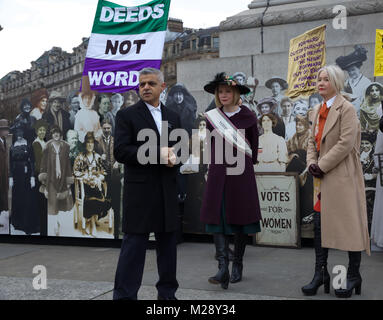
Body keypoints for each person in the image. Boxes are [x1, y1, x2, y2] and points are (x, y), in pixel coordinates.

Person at [113, 68, 181, 300]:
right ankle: (124, 297)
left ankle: (167, 297)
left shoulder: (173, 116)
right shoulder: (126, 116)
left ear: (162, 87)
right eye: (142, 84)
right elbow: (121, 151)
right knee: (133, 250)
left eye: (151, 83)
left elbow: (180, 150)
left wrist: (175, 157)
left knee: (168, 250)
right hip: (139, 193)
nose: (145, 87)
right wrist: (158, 154)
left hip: (167, 191)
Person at [303, 65, 370, 298]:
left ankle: (353, 275)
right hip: (322, 178)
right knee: (320, 226)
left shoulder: (347, 108)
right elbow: (311, 142)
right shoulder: (315, 110)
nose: (320, 83)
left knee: (350, 225)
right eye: (319, 79)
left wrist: (320, 165)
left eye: (326, 80)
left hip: (342, 175)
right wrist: (312, 162)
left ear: (337, 83)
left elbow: (346, 143)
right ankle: (320, 274)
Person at [200, 72, 262, 290]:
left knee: (239, 219)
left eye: (228, 91)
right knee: (217, 218)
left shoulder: (248, 117)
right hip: (218, 172)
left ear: (236, 94)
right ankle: (222, 266)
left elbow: (253, 148)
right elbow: (211, 145)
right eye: (220, 91)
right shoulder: (212, 118)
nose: (223, 95)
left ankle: (238, 264)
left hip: (241, 173)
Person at [73, 132, 111, 237]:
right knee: (92, 196)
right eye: (88, 143)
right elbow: (75, 171)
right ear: (85, 144)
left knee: (98, 195)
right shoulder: (80, 157)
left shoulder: (97, 157)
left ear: (94, 144)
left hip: (96, 186)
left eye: (92, 143)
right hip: (84, 187)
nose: (90, 145)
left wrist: (98, 177)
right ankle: (92, 224)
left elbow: (103, 172)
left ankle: (91, 222)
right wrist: (85, 177)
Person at [39, 126, 74, 237]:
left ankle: (60, 224)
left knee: (62, 203)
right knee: (53, 203)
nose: (56, 135)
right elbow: (43, 164)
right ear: (51, 135)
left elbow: (68, 164)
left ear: (60, 134)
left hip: (63, 178)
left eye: (58, 133)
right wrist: (44, 179)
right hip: (51, 178)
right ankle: (54, 226)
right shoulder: (48, 147)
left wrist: (68, 179)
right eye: (54, 133)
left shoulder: (65, 147)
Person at [9, 128, 39, 235]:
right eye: (17, 133)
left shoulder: (28, 145)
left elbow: (32, 162)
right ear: (16, 135)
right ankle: (18, 223)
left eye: (21, 132)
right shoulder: (12, 146)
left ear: (23, 133)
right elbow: (10, 162)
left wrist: (32, 177)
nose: (19, 135)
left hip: (26, 176)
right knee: (18, 197)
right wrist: (10, 177)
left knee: (27, 198)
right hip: (17, 176)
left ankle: (27, 224)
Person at [336, 45, 371, 115]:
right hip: (348, 113)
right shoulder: (346, 83)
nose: (351, 73)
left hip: (362, 114)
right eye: (349, 71)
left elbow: (368, 101)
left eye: (353, 70)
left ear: (359, 68)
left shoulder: (366, 82)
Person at [32, 119, 49, 236]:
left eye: (44, 130)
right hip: (40, 176)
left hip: (47, 175)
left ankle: (45, 226)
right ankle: (42, 228)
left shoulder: (45, 142)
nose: (42, 132)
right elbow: (39, 162)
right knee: (41, 202)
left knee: (45, 203)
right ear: (36, 131)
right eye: (40, 130)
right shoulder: (36, 143)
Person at [0, 119, 10, 228]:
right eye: (4, 130)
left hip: (3, 174)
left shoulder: (4, 142)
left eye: (7, 130)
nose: (6, 132)